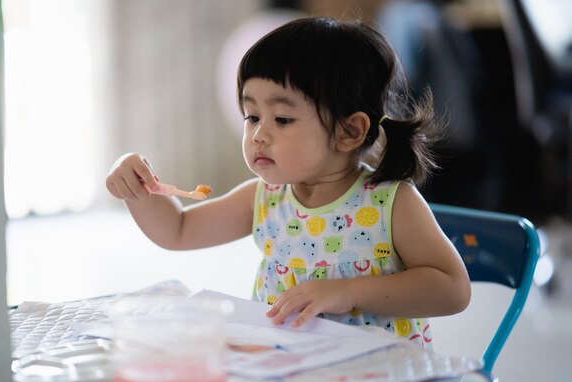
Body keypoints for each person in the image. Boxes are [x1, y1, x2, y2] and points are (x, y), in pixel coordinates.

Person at [106, 16, 471, 348]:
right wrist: (137, 186)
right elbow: (178, 230)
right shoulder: (264, 197)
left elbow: (452, 289)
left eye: (281, 119)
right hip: (290, 371)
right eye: (252, 116)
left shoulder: (390, 203)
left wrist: (347, 292)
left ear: (349, 131)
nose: (259, 134)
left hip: (380, 378)